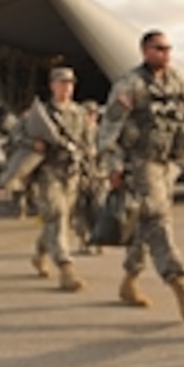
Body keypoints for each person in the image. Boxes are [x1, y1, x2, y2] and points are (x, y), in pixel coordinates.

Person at [98, 30, 184, 319]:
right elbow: (108, 130)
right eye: (158, 48)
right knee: (159, 222)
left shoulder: (175, 80)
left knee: (143, 226)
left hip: (169, 163)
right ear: (144, 51)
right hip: (140, 163)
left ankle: (128, 283)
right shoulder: (130, 85)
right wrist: (113, 167)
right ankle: (182, 290)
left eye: (168, 48)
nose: (165, 54)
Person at [20, 67, 94, 292]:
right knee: (58, 215)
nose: (66, 87)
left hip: (71, 175)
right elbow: (16, 136)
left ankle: (40, 252)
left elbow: (88, 144)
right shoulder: (39, 114)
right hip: (48, 173)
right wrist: (32, 143)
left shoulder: (80, 114)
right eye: (61, 82)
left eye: (70, 83)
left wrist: (91, 170)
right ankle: (66, 269)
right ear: (52, 85)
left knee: (58, 219)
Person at [72, 101, 106, 255]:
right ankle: (83, 241)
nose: (91, 117)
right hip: (80, 176)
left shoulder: (101, 133)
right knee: (80, 210)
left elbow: (107, 153)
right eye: (88, 114)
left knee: (98, 209)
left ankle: (98, 241)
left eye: (94, 114)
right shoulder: (75, 134)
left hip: (98, 177)